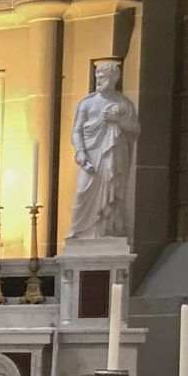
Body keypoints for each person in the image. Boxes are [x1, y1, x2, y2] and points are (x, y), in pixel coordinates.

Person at [69, 60, 139, 241]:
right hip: (91, 156)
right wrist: (80, 152)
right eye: (97, 78)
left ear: (113, 79)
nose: (98, 81)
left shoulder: (125, 104)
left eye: (102, 78)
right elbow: (76, 131)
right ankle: (81, 233)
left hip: (115, 156)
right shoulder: (86, 103)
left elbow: (135, 130)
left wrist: (117, 120)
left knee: (113, 194)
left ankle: (108, 231)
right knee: (81, 193)